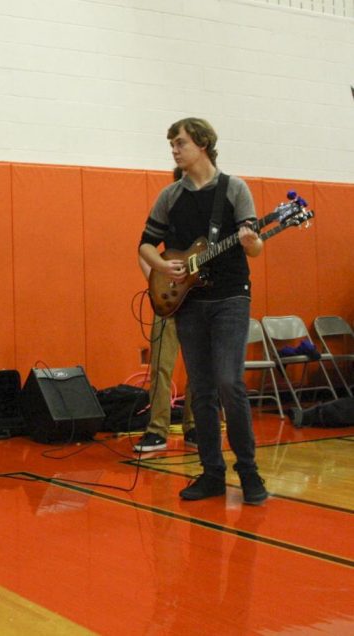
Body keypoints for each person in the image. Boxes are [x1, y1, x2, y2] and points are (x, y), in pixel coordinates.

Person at [138, 117, 268, 505]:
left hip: (230, 297)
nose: (174, 149)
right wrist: (163, 267)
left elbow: (256, 248)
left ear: (203, 144)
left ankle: (248, 472)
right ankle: (212, 472)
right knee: (202, 392)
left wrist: (251, 242)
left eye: (180, 143)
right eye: (172, 144)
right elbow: (146, 244)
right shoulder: (170, 196)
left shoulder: (234, 189)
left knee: (230, 382)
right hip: (190, 303)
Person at [134, 167, 196, 453]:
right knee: (161, 366)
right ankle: (157, 429)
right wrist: (156, 283)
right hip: (169, 301)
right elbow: (144, 249)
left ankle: (194, 425)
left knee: (199, 368)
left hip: (199, 299)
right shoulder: (167, 212)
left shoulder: (210, 220)